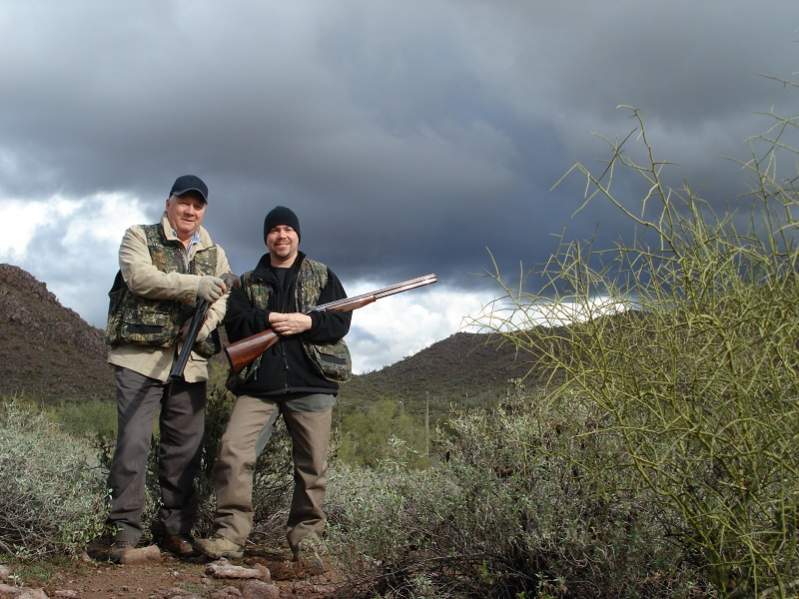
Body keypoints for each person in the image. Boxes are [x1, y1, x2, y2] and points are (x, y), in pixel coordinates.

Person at [196, 206, 351, 564]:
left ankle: (307, 539)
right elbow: (235, 324)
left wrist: (307, 323)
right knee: (233, 451)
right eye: (274, 230)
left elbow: (340, 323)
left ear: (297, 234)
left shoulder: (323, 274)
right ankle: (229, 537)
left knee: (312, 465)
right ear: (266, 237)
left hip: (313, 384)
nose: (281, 236)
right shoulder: (249, 281)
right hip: (259, 387)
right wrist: (272, 319)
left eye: (287, 229)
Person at [104, 174, 232, 562]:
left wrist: (201, 329)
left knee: (185, 450)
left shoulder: (216, 253)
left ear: (204, 210)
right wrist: (194, 286)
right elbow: (140, 278)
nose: (190, 210)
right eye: (183, 203)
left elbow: (221, 302)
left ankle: (175, 531)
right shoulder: (138, 236)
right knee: (134, 443)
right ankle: (124, 532)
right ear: (168, 204)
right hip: (141, 359)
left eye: (197, 205)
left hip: (190, 364)